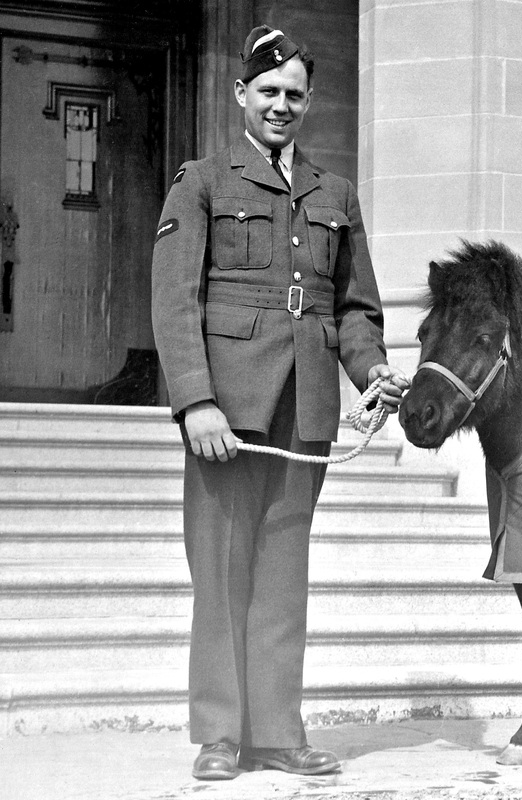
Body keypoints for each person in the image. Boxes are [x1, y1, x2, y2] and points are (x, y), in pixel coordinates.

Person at [151, 24, 409, 781]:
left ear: (309, 101)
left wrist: (373, 374)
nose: (281, 105)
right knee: (224, 575)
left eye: (294, 94)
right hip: (226, 416)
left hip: (305, 413)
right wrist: (195, 402)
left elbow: (354, 309)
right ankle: (221, 736)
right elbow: (175, 302)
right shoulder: (200, 181)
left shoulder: (336, 195)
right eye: (268, 91)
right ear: (241, 95)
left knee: (283, 577)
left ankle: (276, 733)